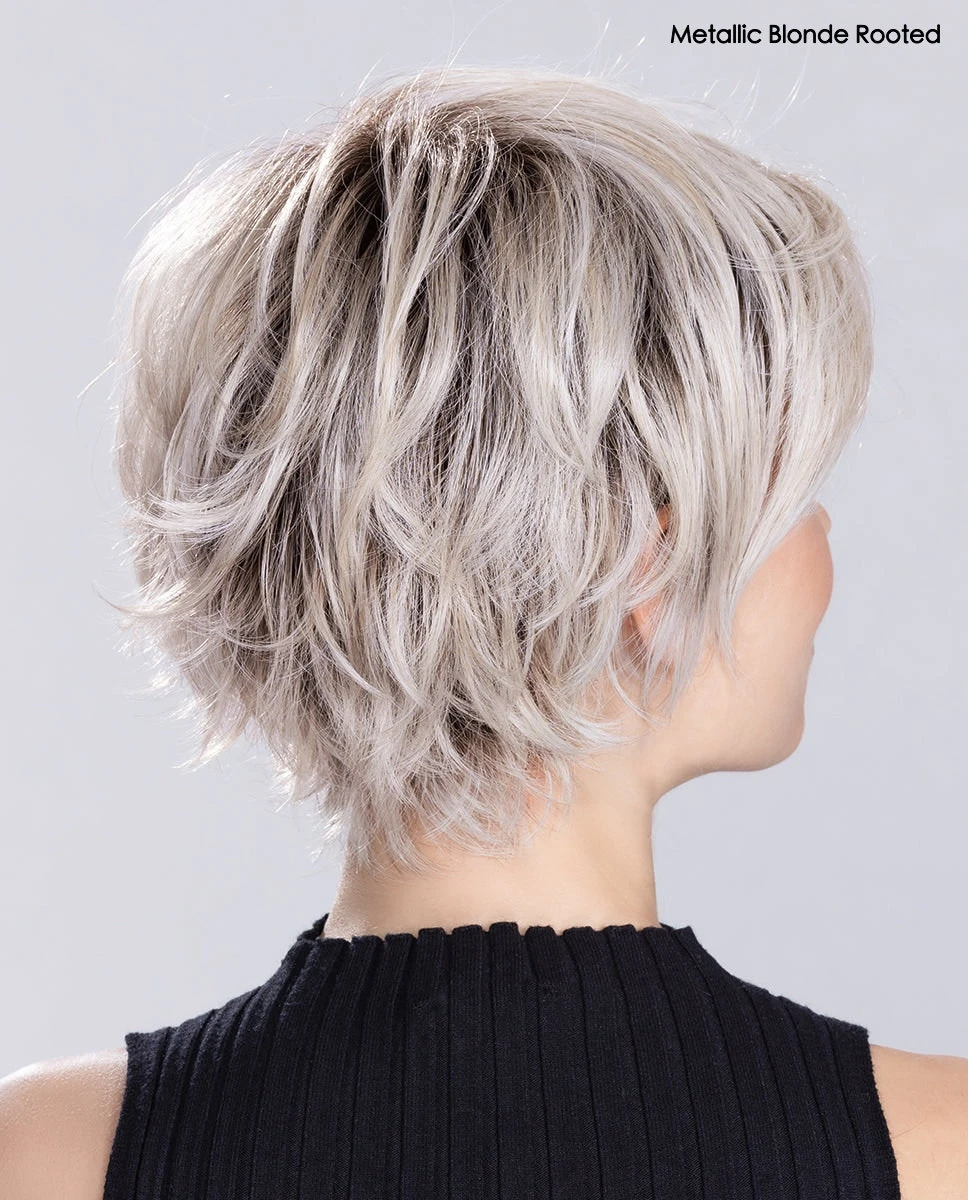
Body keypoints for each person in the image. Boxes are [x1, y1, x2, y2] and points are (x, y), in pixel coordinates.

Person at [1, 64, 965, 1199]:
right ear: (649, 570)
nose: (822, 538)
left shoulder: (44, 1154)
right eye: (795, 493)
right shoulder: (936, 1149)